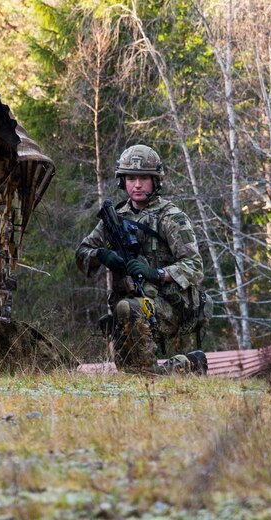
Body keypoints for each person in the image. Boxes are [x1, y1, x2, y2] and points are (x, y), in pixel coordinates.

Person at [76, 144, 209, 375]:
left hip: (167, 304)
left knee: (130, 317)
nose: (137, 185)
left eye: (144, 178)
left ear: (155, 181)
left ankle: (182, 365)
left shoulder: (171, 217)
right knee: (132, 373)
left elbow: (195, 267)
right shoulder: (114, 218)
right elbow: (82, 253)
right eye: (130, 178)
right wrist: (100, 255)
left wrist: (156, 273)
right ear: (122, 181)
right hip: (127, 306)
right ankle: (186, 365)